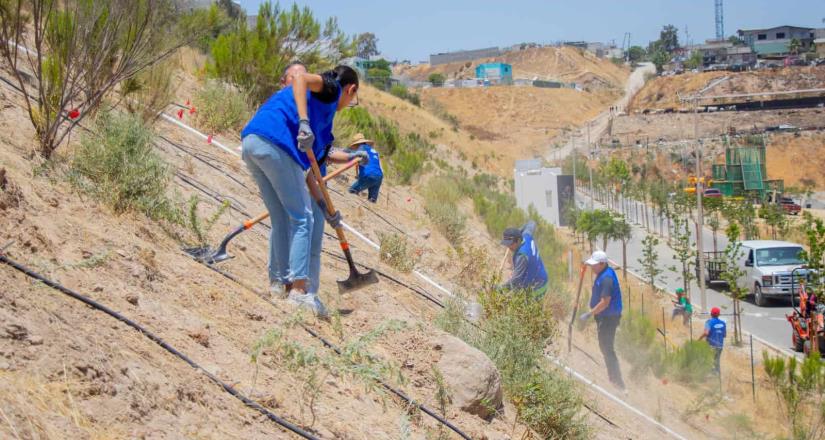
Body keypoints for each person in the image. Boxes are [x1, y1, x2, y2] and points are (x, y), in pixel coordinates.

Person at [240, 64, 359, 318]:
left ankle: (278, 285)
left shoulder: (323, 123)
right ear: (351, 89)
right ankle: (299, 291)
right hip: (276, 143)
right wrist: (303, 123)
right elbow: (301, 79)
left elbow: (311, 176)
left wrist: (326, 209)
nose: (348, 102)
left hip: (252, 142)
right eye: (353, 99)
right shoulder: (331, 88)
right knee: (302, 218)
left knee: (282, 217)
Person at [276, 62, 369, 315]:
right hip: (299, 179)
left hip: (313, 183)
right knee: (296, 232)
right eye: (294, 77)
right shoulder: (302, 106)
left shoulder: (319, 113)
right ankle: (293, 289)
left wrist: (352, 155)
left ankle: (308, 294)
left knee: (312, 242)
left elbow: (326, 153)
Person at [579, 250, 626, 392]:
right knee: (604, 346)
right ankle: (613, 376)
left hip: (609, 318)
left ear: (602, 263)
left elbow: (605, 302)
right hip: (605, 316)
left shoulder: (607, 279)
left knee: (607, 347)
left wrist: (588, 314)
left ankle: (617, 381)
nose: (592, 268)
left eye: (594, 265)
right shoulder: (603, 272)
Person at [496, 221, 548, 300]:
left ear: (518, 240)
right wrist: (518, 231)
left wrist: (500, 289)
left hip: (537, 287)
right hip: (539, 276)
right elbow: (532, 223)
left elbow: (515, 281)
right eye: (507, 244)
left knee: (527, 309)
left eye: (511, 244)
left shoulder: (522, 256)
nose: (509, 247)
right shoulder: (526, 235)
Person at [345, 133, 383, 203]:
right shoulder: (373, 150)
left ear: (357, 144)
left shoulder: (360, 148)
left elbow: (355, 161)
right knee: (372, 200)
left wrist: (358, 175)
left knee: (352, 191)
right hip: (379, 176)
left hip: (369, 174)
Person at [699, 307, 727, 375]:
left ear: (711, 314)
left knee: (707, 359)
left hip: (711, 345)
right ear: (719, 314)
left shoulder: (709, 322)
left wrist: (699, 339)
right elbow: (724, 335)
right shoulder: (723, 323)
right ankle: (718, 376)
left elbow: (706, 333)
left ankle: (707, 375)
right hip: (720, 346)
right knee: (716, 361)